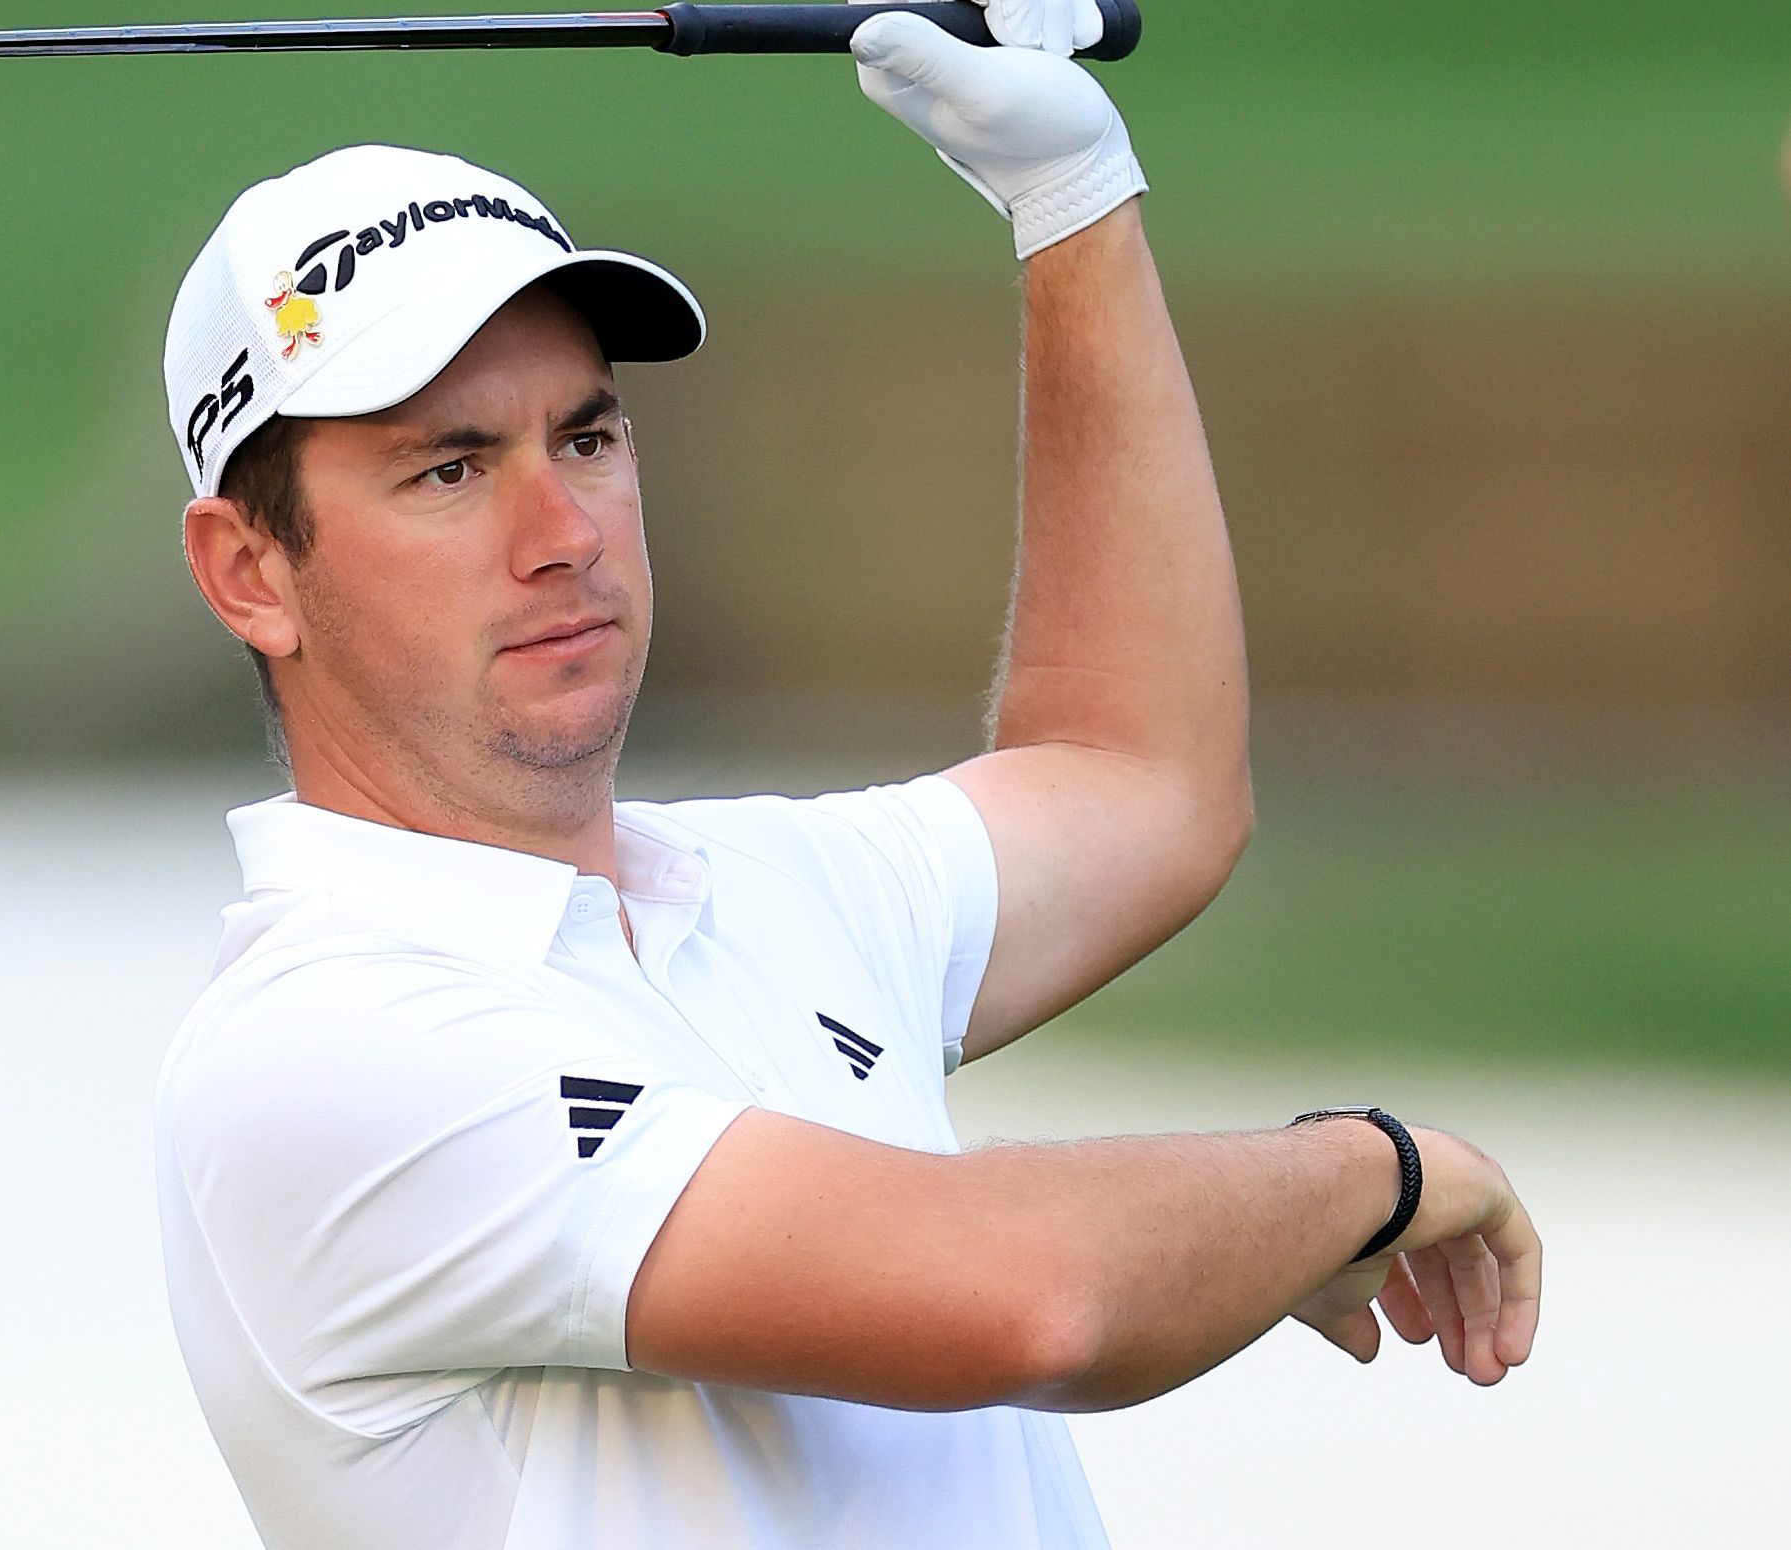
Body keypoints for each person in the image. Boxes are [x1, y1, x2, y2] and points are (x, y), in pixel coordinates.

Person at [151, 2, 1542, 1544]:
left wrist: (1070, 205)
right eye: (451, 467)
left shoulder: (747, 891)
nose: (562, 531)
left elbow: (1134, 776)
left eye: (590, 436)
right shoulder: (324, 1046)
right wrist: (1373, 1171)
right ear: (250, 572)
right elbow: (1026, 1301)